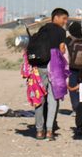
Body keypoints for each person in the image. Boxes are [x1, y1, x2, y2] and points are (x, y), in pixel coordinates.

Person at [26, 8, 69, 140]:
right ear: (56, 17)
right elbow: (62, 49)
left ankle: (39, 131)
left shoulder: (42, 29)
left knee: (39, 99)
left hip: (39, 67)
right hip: (54, 68)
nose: (65, 22)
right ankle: (49, 130)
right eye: (64, 19)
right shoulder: (61, 31)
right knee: (53, 99)